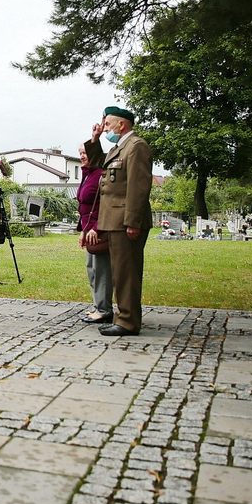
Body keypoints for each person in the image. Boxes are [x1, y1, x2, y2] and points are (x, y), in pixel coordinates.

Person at [84, 106, 153, 336]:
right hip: (114, 221)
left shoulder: (136, 147)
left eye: (108, 125)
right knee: (120, 272)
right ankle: (123, 317)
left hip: (125, 221)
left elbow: (138, 187)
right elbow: (97, 164)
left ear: (121, 124)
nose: (105, 129)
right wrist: (94, 139)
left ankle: (128, 322)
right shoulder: (119, 148)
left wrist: (133, 221)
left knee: (127, 273)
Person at [76, 143, 113, 324]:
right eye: (80, 153)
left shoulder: (100, 175)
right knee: (92, 270)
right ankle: (99, 305)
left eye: (85, 152)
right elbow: (84, 207)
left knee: (101, 271)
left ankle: (105, 310)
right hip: (88, 230)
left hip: (99, 230)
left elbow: (106, 205)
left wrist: (96, 228)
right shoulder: (87, 174)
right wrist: (83, 230)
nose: (83, 156)